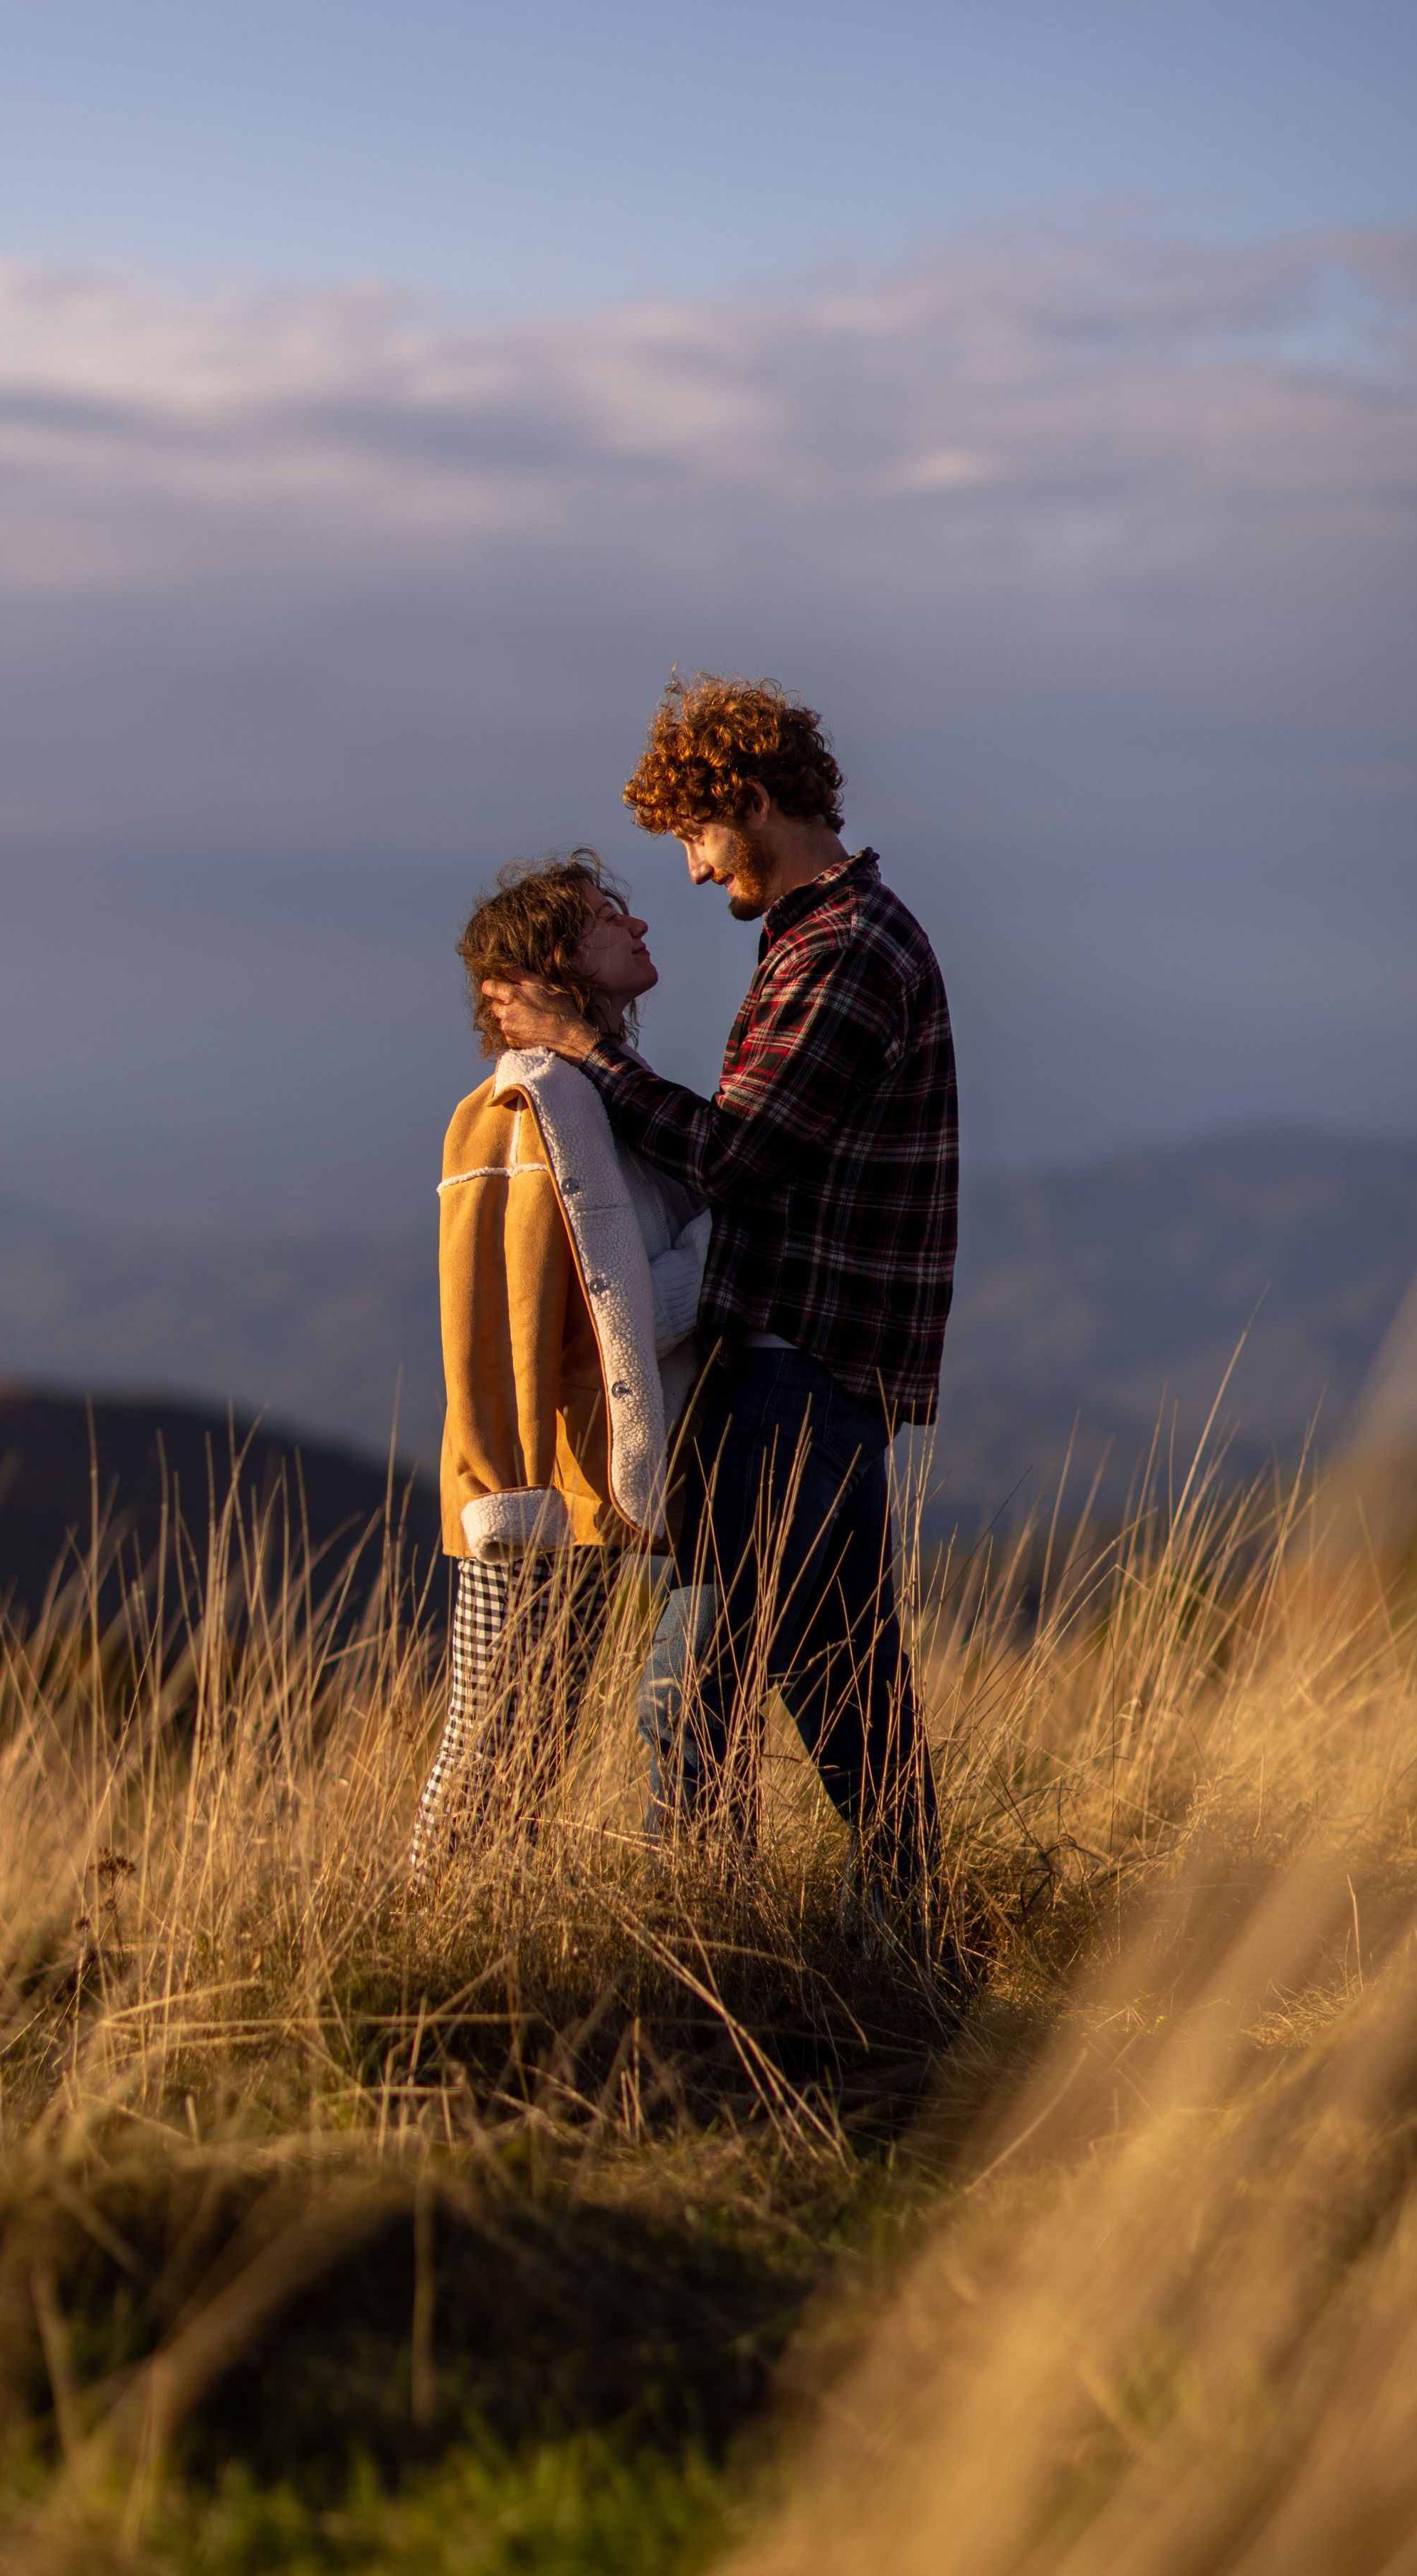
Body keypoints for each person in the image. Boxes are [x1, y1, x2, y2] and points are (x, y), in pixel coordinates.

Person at [482, 676, 959, 1947]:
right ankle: (917, 1960)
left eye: (696, 838)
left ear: (751, 803)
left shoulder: (844, 949)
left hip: (797, 1370)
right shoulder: (825, 941)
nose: (693, 875)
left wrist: (590, 1057)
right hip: (832, 1375)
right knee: (851, 1695)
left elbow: (738, 1154)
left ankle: (696, 1972)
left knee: (691, 1697)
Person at [413, 850, 710, 1868]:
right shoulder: (521, 1106)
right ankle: (416, 1954)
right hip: (535, 1497)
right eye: (603, 916)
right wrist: (507, 1496)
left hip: (587, 1487)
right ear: (551, 961)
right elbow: (505, 1318)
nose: (637, 925)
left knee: (525, 1755)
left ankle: (472, 1956)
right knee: (491, 1756)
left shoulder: (595, 1096)